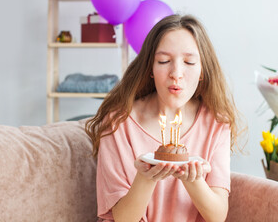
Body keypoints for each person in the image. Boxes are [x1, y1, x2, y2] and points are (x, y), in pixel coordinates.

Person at [86, 14, 241, 222]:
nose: (176, 73)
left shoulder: (216, 124)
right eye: (164, 61)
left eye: (189, 62)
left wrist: (193, 180)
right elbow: (122, 218)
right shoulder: (118, 123)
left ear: (202, 71)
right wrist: (145, 177)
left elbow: (218, 215)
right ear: (150, 68)